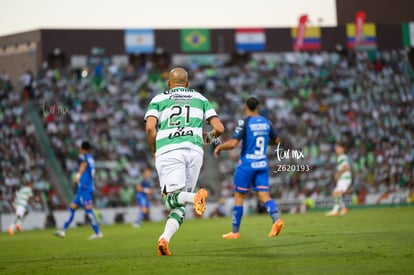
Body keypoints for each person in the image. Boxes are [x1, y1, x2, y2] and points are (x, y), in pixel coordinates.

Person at [145, 67, 224, 256]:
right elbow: (219, 129)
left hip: (169, 150)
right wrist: (205, 139)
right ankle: (164, 239)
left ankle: (195, 197)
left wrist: (154, 149)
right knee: (179, 204)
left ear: (169, 84)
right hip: (194, 152)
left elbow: (150, 129)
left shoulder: (158, 99)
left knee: (169, 200)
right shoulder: (200, 98)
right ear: (187, 84)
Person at [213, 97, 284, 239]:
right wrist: (264, 144)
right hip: (262, 163)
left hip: (247, 164)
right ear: (258, 107)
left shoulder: (245, 122)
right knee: (264, 196)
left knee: (239, 196)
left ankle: (235, 231)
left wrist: (219, 147)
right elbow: (277, 141)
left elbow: (233, 143)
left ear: (246, 107)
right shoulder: (266, 122)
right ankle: (276, 219)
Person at [54, 141, 103, 239]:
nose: (79, 150)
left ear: (83, 148)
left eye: (80, 148)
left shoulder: (85, 157)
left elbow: (83, 165)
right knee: (72, 208)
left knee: (88, 210)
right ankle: (63, 230)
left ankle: (98, 233)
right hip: (85, 188)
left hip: (85, 188)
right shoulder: (91, 159)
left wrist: (78, 176)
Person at [326, 141, 352, 216]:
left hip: (345, 178)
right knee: (336, 193)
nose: (336, 149)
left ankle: (335, 211)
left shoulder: (342, 157)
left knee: (336, 193)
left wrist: (338, 173)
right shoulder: (341, 157)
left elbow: (346, 167)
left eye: (338, 148)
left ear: (342, 149)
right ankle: (343, 208)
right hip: (343, 178)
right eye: (336, 148)